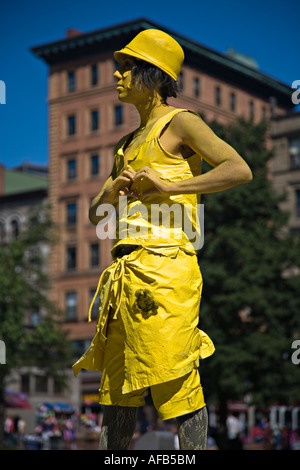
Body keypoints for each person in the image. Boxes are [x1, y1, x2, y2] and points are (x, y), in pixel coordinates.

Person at [73, 28, 252, 450]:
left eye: (126, 69)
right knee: (117, 391)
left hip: (167, 270)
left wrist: (170, 188)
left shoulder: (181, 123)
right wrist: (111, 190)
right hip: (125, 277)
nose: (117, 77)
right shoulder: (125, 145)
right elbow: (96, 216)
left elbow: (239, 169)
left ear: (152, 75)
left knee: (173, 377)